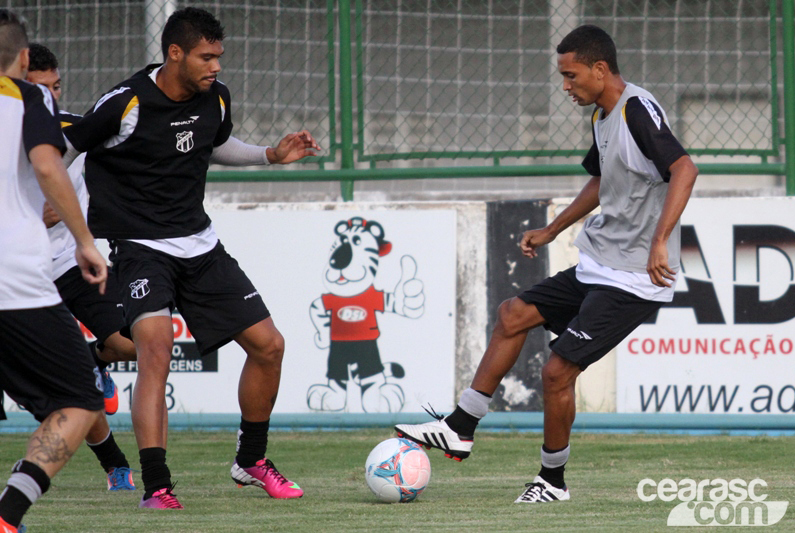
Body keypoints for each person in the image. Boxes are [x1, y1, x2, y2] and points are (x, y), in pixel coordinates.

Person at [396, 24, 699, 503]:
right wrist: (553, 230)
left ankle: (552, 482)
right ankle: (460, 427)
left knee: (557, 373)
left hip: (634, 278)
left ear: (600, 70)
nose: (565, 86)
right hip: (601, 263)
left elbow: (684, 167)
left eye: (571, 75)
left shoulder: (636, 109)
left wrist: (660, 240)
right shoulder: (602, 117)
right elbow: (601, 182)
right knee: (512, 314)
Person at [62, 7, 321, 510]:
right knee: (155, 349)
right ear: (175, 53)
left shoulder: (216, 98)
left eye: (218, 56)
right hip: (140, 248)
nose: (216, 66)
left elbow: (217, 145)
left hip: (200, 245)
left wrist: (270, 154)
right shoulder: (127, 101)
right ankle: (157, 487)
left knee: (269, 346)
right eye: (206, 56)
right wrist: (52, 203)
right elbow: (69, 145)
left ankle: (251, 460)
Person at [0, 10, 109, 533]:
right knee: (80, 399)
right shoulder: (30, 97)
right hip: (12, 280)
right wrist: (84, 241)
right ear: (24, 59)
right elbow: (47, 165)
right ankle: (8, 514)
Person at [26, 42, 137, 492]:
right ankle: (115, 466)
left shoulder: (78, 131)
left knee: (134, 344)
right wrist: (34, 215)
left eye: (56, 87)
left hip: (75, 261)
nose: (50, 99)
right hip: (24, 276)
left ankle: (95, 362)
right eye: (39, 90)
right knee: (71, 392)